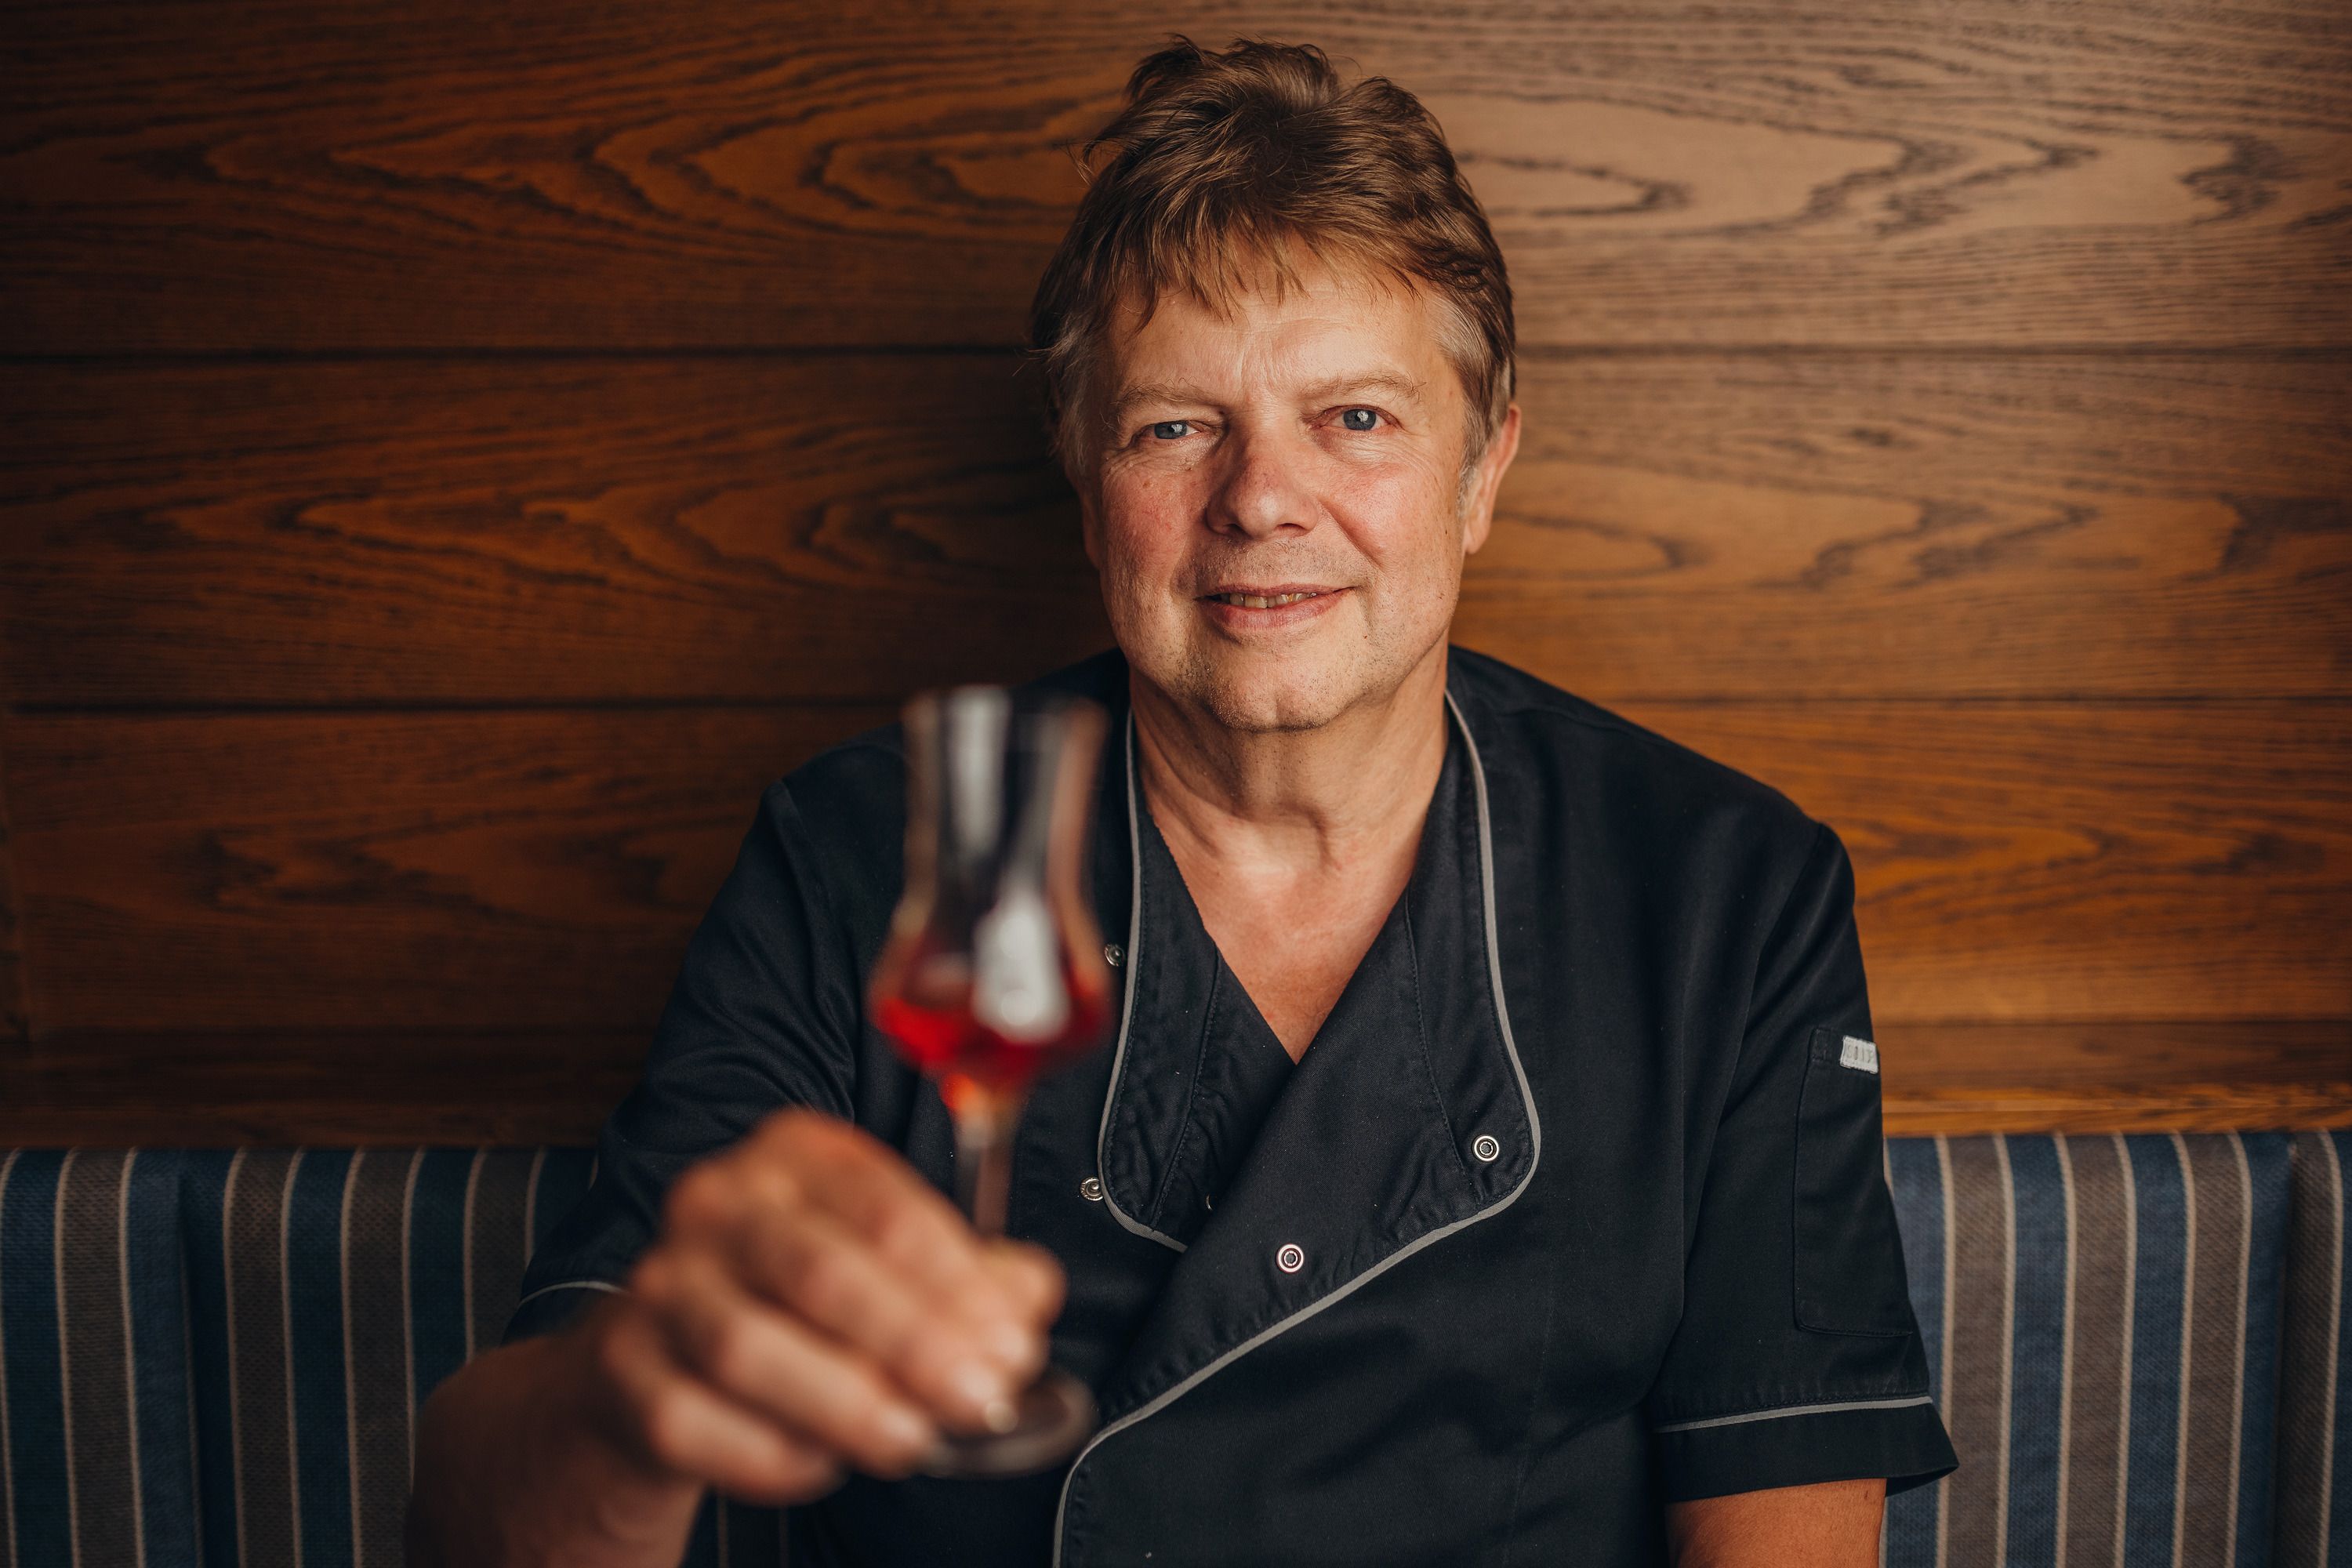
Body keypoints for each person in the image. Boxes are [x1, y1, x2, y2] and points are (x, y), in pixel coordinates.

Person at [408, 34, 1957, 1567]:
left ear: (1483, 469)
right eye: (1173, 426)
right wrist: (636, 1393)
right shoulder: (858, 857)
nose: (1261, 495)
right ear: (1090, 491)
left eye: (1355, 416)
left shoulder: (1728, 896)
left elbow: (1786, 1516)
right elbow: (480, 1517)